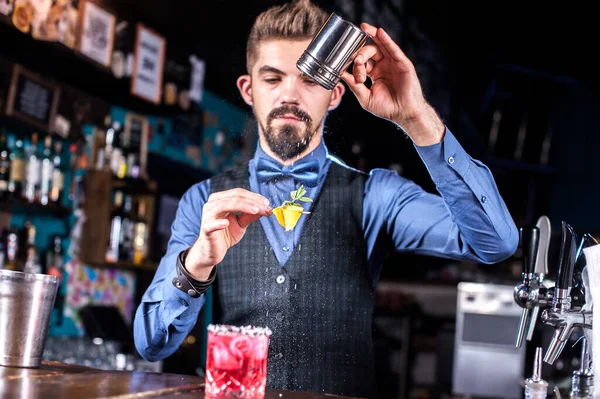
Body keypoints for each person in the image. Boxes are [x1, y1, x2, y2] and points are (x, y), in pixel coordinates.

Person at [133, 1, 519, 397]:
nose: (290, 95)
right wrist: (195, 265)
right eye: (272, 79)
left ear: (335, 94)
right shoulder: (203, 202)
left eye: (309, 80)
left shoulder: (376, 197)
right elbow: (152, 345)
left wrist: (417, 118)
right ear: (248, 90)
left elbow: (495, 242)